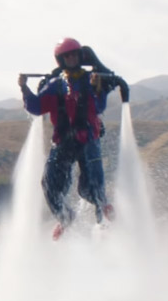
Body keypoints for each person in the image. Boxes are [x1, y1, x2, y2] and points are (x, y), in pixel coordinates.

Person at [19, 37, 115, 240]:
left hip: (87, 140)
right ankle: (66, 218)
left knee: (89, 187)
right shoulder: (55, 85)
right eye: (67, 56)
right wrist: (24, 88)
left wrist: (99, 89)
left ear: (80, 56)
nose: (71, 58)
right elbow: (36, 107)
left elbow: (99, 107)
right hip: (63, 142)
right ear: (60, 60)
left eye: (74, 54)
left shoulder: (91, 82)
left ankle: (103, 209)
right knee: (49, 183)